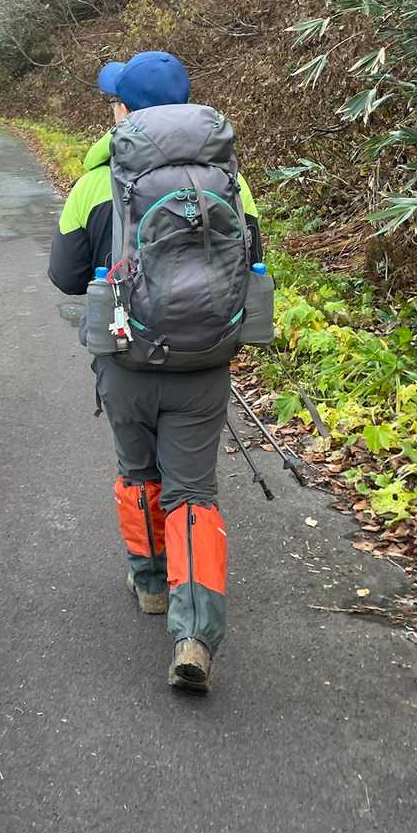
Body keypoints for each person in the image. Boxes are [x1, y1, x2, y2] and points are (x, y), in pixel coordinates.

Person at [47, 51, 263, 694]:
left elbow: (64, 276)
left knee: (139, 471)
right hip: (207, 360)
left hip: (125, 357)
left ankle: (149, 582)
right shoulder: (232, 178)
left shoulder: (96, 183)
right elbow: (249, 260)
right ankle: (194, 633)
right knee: (193, 492)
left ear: (124, 109)